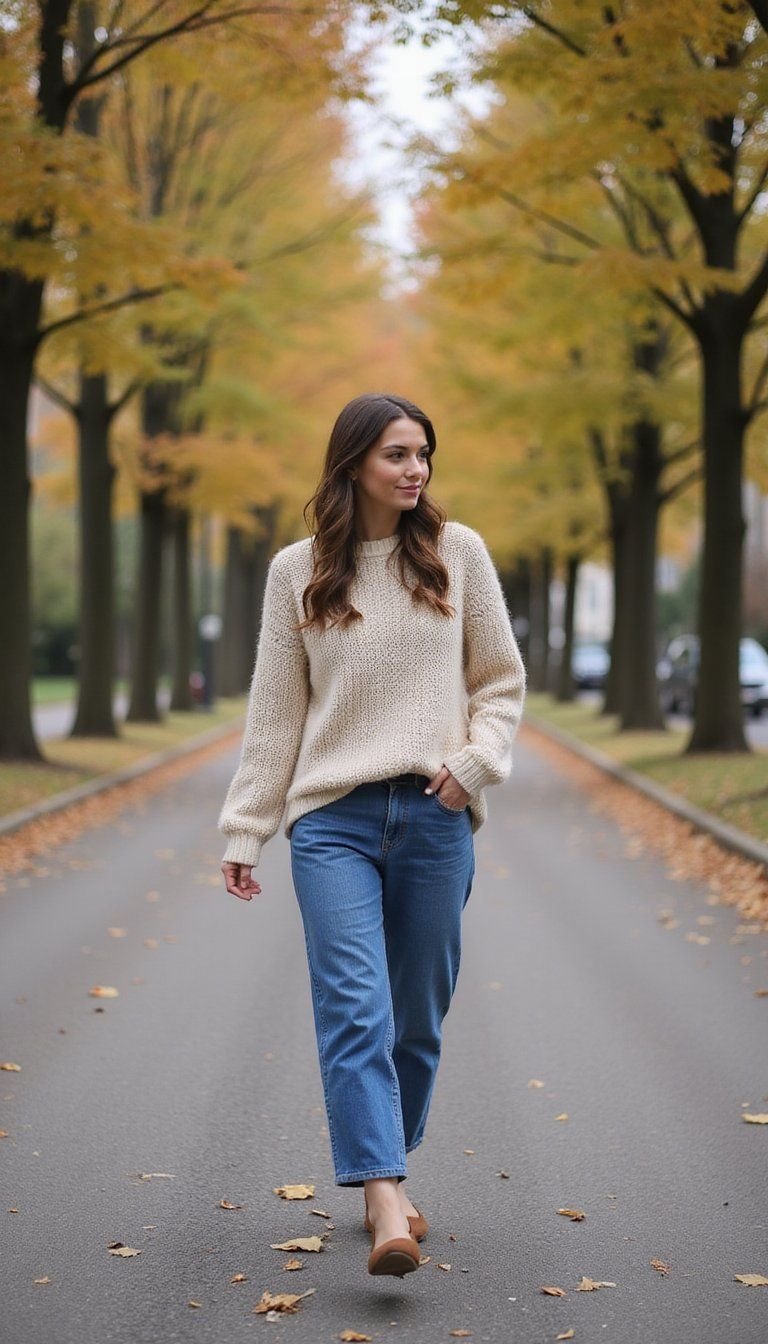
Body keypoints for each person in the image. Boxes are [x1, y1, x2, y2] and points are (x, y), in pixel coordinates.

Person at [219, 392, 526, 1278]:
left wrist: (474, 763)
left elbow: (499, 682)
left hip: (434, 818)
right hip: (333, 823)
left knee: (417, 1019)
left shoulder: (457, 554)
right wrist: (247, 828)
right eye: (397, 453)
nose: (415, 468)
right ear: (354, 461)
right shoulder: (297, 572)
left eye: (423, 453)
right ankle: (383, 1191)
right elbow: (275, 716)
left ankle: (388, 1159)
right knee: (355, 1005)